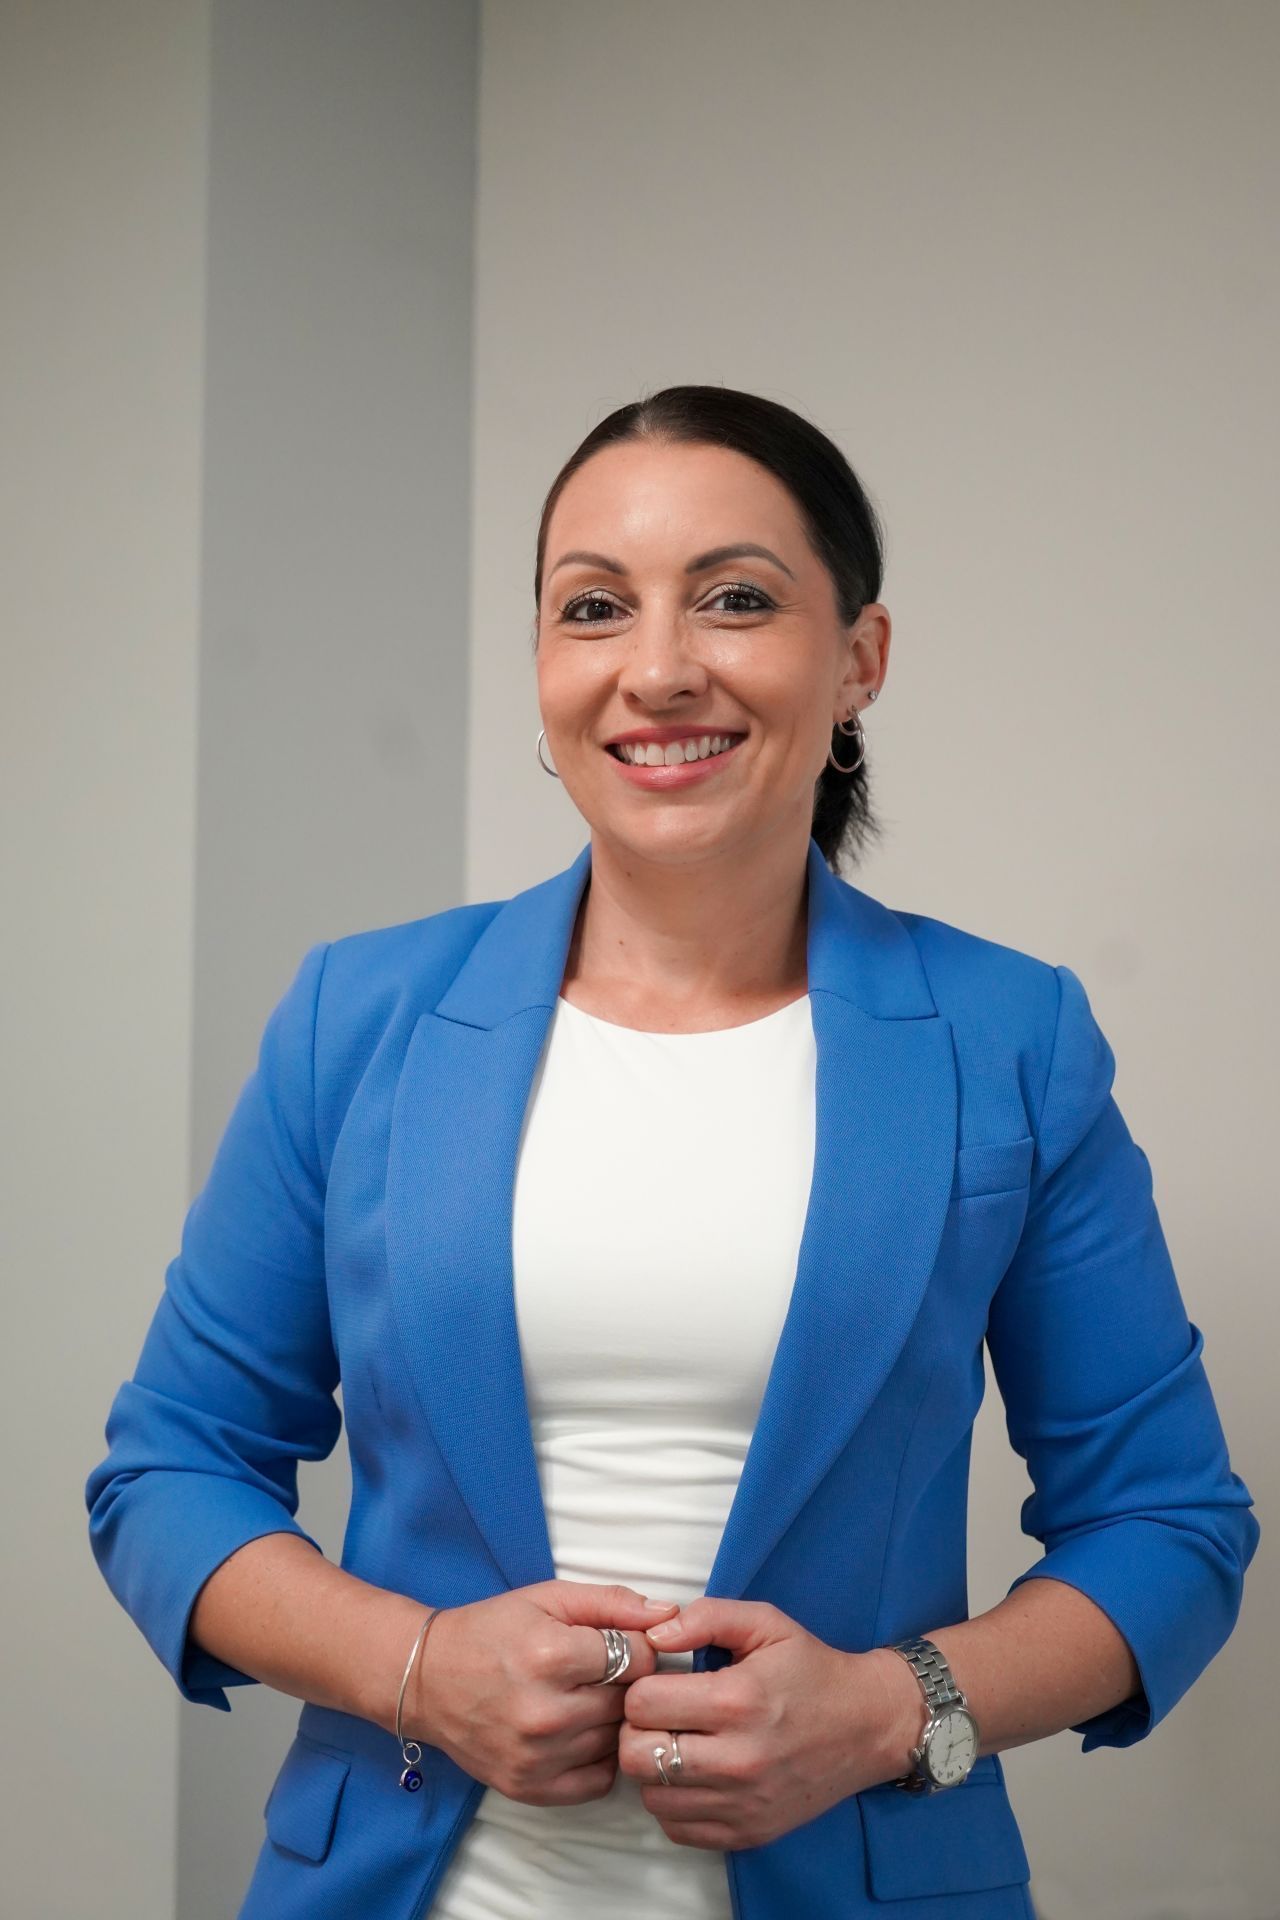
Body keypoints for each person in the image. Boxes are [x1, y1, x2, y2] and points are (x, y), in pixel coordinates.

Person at [85, 384, 1259, 1920]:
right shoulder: (357, 1019)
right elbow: (170, 1468)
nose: (657, 669)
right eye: (593, 607)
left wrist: (889, 1711)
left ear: (859, 662)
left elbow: (1169, 1526)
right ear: (544, 670)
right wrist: (421, 1668)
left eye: (736, 600)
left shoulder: (1009, 1041)